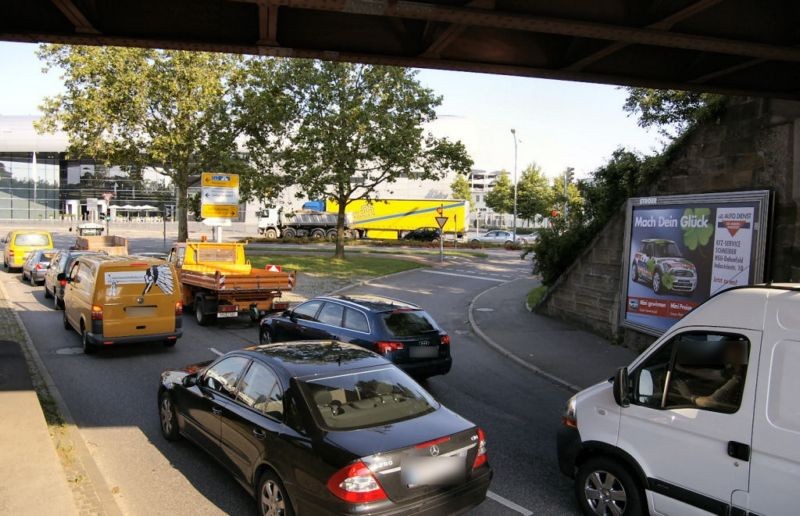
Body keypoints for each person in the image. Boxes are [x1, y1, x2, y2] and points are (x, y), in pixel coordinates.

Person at [675, 339, 747, 412]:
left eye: (728, 350)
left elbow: (711, 402)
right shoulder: (733, 369)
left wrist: (689, 396)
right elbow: (714, 374)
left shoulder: (739, 376)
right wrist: (686, 370)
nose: (723, 353)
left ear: (738, 353)